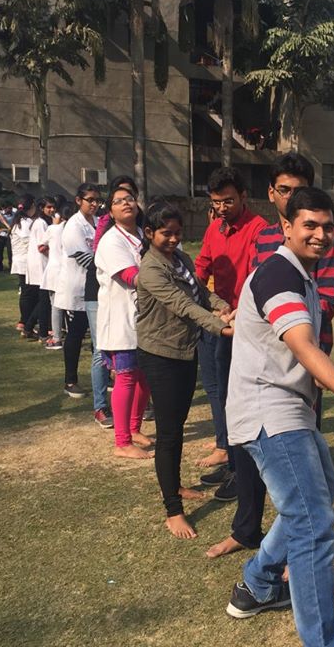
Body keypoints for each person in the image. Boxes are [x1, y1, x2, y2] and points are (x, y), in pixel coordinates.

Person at [223, 187, 334, 647]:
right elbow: (302, 345)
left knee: (320, 496)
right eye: (309, 225)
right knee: (312, 523)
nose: (320, 234)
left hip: (292, 407)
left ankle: (257, 584)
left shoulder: (302, 277)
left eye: (327, 226)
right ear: (287, 227)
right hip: (269, 411)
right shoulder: (279, 274)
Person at [207, 153, 334, 560]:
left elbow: (324, 301)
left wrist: (312, 355)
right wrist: (239, 314)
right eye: (284, 190)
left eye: (299, 190)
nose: (291, 197)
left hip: (306, 359)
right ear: (272, 194)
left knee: (308, 471)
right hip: (263, 360)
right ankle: (249, 532)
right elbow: (256, 289)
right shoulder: (265, 237)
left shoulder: (323, 237)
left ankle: (291, 546)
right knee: (250, 452)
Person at [136, 201, 234, 537]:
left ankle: (174, 485)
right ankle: (173, 509)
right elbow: (183, 305)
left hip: (184, 350)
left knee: (176, 426)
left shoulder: (181, 259)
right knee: (168, 433)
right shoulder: (150, 269)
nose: (174, 239)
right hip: (160, 355)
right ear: (150, 233)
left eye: (178, 233)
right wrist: (220, 327)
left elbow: (200, 295)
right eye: (167, 233)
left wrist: (223, 307)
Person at [193, 167, 268, 499]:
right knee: (217, 391)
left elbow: (257, 277)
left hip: (243, 325)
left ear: (243, 197)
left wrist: (237, 314)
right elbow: (202, 266)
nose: (222, 208)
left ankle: (243, 471)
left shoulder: (258, 229)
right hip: (215, 320)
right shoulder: (214, 228)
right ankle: (229, 455)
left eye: (228, 201)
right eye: (216, 202)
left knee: (240, 399)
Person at [96, 185, 153, 459]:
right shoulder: (111, 241)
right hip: (121, 318)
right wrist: (163, 280)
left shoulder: (141, 234)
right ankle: (122, 441)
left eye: (129, 198)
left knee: (144, 376)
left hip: (144, 317)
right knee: (127, 376)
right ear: (111, 211)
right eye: (118, 201)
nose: (126, 203)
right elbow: (131, 276)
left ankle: (134, 428)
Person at [54, 184, 100, 402]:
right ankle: (70, 380)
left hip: (96, 287)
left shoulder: (98, 222)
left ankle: (103, 375)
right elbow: (84, 258)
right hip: (78, 287)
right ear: (78, 200)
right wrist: (111, 264)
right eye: (90, 200)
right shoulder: (73, 226)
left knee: (98, 335)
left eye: (97, 200)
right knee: (76, 332)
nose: (94, 204)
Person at [23, 197, 55, 342]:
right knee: (44, 300)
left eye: (53, 207)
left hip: (38, 263)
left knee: (43, 299)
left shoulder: (39, 222)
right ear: (41, 208)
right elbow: (42, 247)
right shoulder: (41, 223)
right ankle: (42, 333)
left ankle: (28, 327)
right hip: (41, 264)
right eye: (49, 207)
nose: (52, 210)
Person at [41, 203, 73, 351]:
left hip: (55, 270)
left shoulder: (53, 229)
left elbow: (41, 246)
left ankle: (57, 338)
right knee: (72, 305)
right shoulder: (74, 228)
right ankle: (70, 333)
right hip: (70, 270)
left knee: (56, 305)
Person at [9, 195, 35, 332]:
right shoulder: (25, 223)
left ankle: (25, 320)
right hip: (26, 261)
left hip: (21, 261)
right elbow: (28, 240)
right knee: (28, 292)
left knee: (26, 292)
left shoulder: (18, 222)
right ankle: (24, 321)